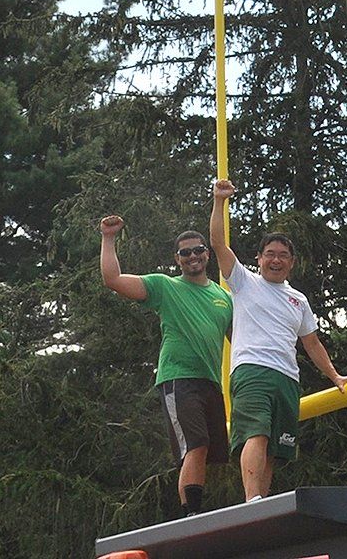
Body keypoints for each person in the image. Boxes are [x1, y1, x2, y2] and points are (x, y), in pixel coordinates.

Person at [209, 179, 347, 502]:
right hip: (252, 371)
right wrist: (220, 201)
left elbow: (312, 343)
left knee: (276, 446)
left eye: (283, 256)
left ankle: (261, 501)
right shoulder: (244, 282)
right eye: (270, 255)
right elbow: (218, 244)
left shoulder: (298, 300)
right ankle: (251, 500)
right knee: (256, 433)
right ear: (259, 258)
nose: (276, 260)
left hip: (287, 378)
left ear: (292, 262)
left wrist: (334, 375)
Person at [99, 214, 233, 518]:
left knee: (209, 450)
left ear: (207, 254)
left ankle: (197, 511)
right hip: (179, 379)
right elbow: (113, 280)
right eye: (185, 253)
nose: (193, 256)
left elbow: (243, 338)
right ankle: (191, 514)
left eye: (198, 250)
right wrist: (108, 238)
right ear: (177, 259)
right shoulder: (166, 287)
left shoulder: (224, 298)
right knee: (195, 443)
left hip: (210, 380)